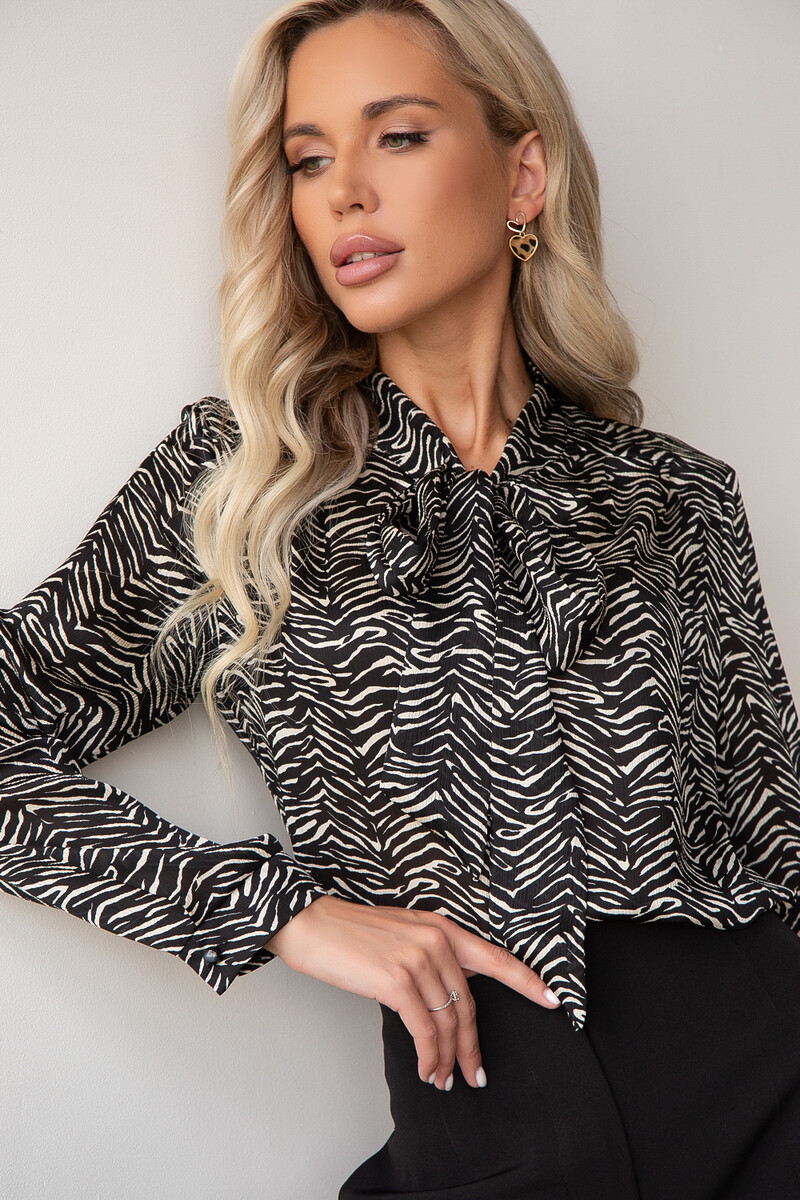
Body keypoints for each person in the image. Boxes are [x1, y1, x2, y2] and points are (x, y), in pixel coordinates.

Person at [3, 1, 800, 1196]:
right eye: (307, 159)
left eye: (398, 136)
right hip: (488, 1131)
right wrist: (275, 911)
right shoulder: (241, 490)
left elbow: (772, 841)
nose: (344, 194)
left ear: (521, 175)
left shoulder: (671, 495)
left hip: (765, 1095)